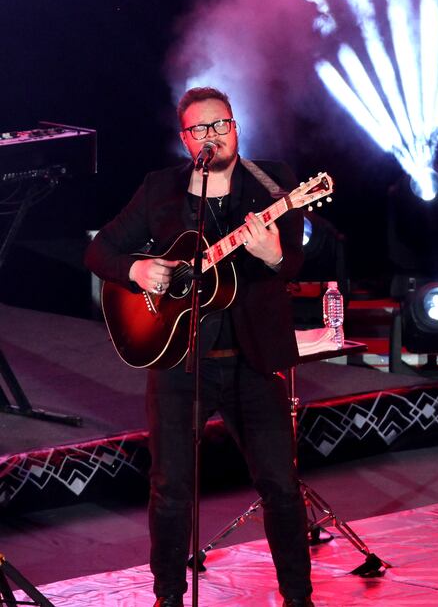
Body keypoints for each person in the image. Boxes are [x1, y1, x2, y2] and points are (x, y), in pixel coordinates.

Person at [85, 87, 313, 607]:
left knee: (281, 484)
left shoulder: (273, 183)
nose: (213, 136)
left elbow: (294, 263)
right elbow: (100, 250)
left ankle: (299, 598)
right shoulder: (160, 189)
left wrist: (273, 254)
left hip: (251, 363)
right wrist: (136, 269)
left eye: (222, 124)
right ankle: (168, 597)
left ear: (236, 127)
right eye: (201, 129)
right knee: (171, 491)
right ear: (185, 138)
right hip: (176, 360)